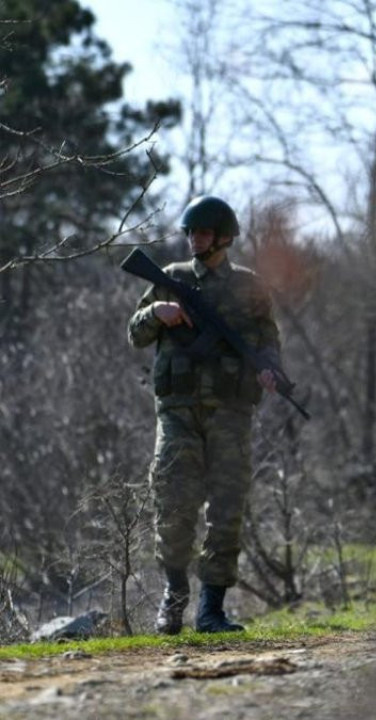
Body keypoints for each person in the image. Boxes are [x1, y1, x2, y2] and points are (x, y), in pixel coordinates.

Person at [127, 195, 282, 634]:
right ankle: (173, 600)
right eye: (191, 232)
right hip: (178, 413)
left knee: (227, 509)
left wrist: (271, 370)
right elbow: (135, 334)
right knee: (173, 505)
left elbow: (269, 341)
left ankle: (211, 609)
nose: (195, 239)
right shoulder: (170, 279)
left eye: (204, 233)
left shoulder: (251, 287)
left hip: (232, 413)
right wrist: (156, 312)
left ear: (225, 237)